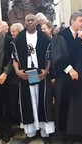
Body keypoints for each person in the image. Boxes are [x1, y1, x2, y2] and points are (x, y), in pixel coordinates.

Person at [52, 12, 82, 144]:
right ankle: (67, 135)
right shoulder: (61, 36)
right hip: (65, 76)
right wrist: (69, 69)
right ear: (72, 21)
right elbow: (56, 56)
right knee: (67, 105)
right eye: (80, 21)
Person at [12, 14, 54, 144]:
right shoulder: (18, 39)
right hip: (26, 73)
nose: (30, 22)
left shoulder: (45, 38)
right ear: (24, 23)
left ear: (37, 22)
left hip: (40, 73)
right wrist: (17, 71)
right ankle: (30, 132)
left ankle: (44, 132)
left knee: (41, 101)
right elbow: (14, 57)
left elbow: (50, 57)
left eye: (32, 20)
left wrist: (46, 71)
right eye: (27, 21)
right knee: (28, 101)